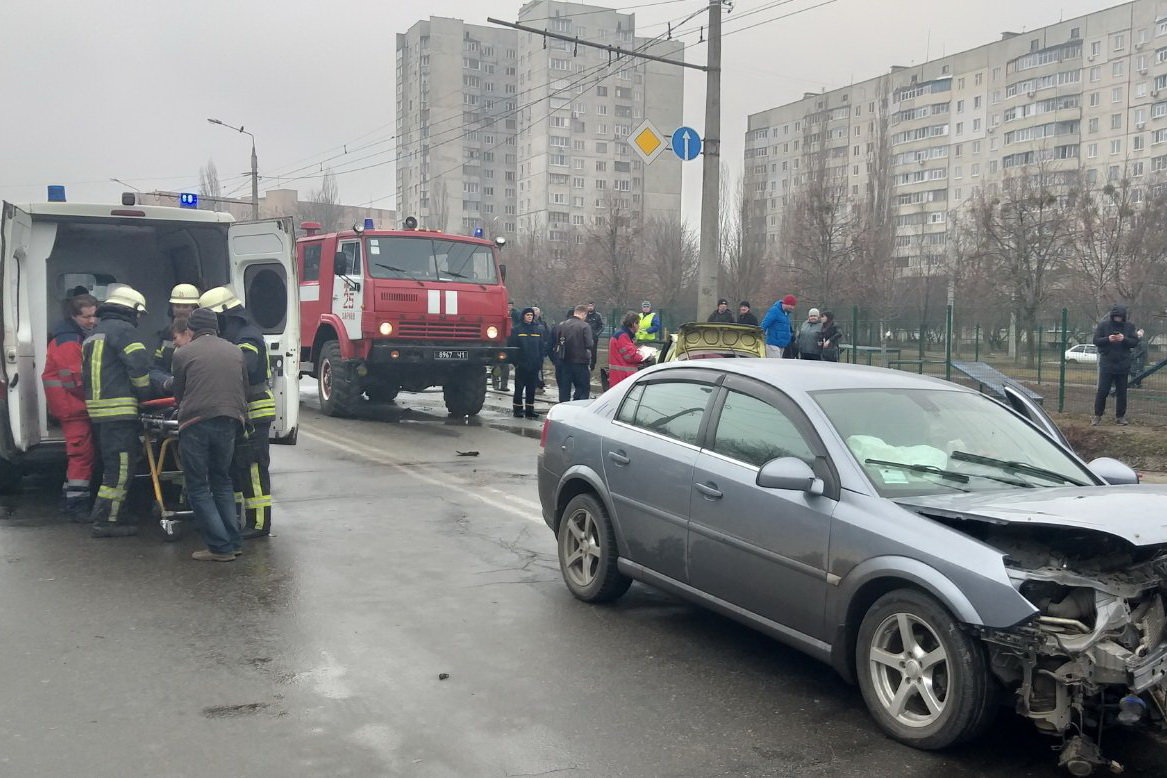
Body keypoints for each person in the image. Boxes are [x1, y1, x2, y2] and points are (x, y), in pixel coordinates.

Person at [170, 309, 249, 561]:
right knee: (222, 480)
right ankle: (234, 542)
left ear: (190, 330)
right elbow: (243, 387)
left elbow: (179, 393)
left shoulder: (183, 354)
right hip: (230, 421)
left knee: (198, 485)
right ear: (217, 328)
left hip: (196, 422)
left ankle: (220, 547)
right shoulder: (236, 351)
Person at [199, 286, 273, 538]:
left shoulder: (247, 335)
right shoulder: (234, 333)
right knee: (237, 467)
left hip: (254, 409)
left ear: (223, 314)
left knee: (253, 467)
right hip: (239, 410)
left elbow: (245, 367)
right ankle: (239, 519)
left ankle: (259, 524)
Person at [82, 286, 152, 538]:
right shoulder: (124, 331)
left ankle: (112, 512)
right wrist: (146, 396)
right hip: (119, 412)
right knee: (120, 468)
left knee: (111, 465)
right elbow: (140, 368)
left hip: (100, 413)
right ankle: (106, 521)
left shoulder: (94, 333)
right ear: (130, 310)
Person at [43, 292, 99, 520]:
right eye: (86, 317)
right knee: (81, 455)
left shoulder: (68, 337)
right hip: (73, 407)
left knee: (81, 455)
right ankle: (75, 506)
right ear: (74, 316)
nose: (92, 321)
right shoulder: (69, 342)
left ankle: (69, 500)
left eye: (94, 316)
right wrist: (96, 397)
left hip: (70, 406)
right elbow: (75, 380)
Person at [1092, 304, 1140, 425]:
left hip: (1123, 363)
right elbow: (1096, 340)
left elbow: (1134, 342)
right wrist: (1108, 339)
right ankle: (1097, 415)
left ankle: (1120, 416)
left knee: (1122, 392)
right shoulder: (1103, 325)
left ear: (1123, 317)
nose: (1118, 319)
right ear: (1112, 316)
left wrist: (1124, 339)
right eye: (1116, 317)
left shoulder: (1129, 326)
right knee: (1102, 390)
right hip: (1107, 363)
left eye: (1120, 317)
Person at [154, 283, 200, 374]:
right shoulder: (166, 333)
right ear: (171, 309)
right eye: (177, 306)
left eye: (186, 306)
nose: (181, 310)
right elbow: (157, 367)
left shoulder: (203, 332)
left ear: (195, 309)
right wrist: (165, 382)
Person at [507, 308, 545, 419]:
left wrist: (540, 361)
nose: (529, 317)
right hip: (521, 364)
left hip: (534, 364)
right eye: (527, 315)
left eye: (531, 315)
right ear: (523, 316)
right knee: (519, 388)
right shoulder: (517, 330)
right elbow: (512, 347)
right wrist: (516, 362)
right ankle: (518, 409)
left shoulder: (538, 330)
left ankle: (530, 409)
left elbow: (541, 347)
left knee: (531, 388)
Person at [555, 304, 594, 402]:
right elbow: (589, 344)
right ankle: (577, 408)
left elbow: (558, 342)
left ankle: (563, 409)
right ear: (583, 314)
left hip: (564, 361)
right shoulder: (585, 326)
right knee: (582, 388)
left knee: (564, 389)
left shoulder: (562, 325)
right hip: (580, 362)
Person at [608, 312, 648, 387]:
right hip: (623, 378)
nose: (639, 326)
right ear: (634, 324)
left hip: (619, 376)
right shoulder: (623, 336)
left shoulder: (621, 335)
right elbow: (630, 357)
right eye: (638, 323)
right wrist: (644, 355)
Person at [585, 303, 605, 372]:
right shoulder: (584, 315)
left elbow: (602, 326)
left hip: (594, 338)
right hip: (584, 337)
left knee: (593, 352)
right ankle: (586, 365)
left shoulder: (597, 315)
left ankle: (592, 366)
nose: (590, 307)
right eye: (589, 306)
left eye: (591, 306)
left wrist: (596, 334)